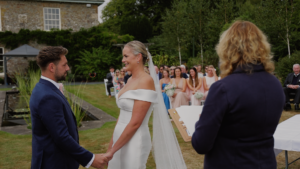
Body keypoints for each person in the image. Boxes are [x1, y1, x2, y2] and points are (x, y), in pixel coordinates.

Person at [192, 21, 285, 169]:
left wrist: (200, 122)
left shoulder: (223, 88)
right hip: (265, 163)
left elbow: (201, 144)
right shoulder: (275, 84)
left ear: (227, 48)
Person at [105, 41, 186, 169]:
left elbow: (136, 123)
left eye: (126, 56)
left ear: (138, 57)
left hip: (135, 138)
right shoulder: (130, 79)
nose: (122, 60)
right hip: (119, 136)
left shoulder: (146, 81)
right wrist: (111, 145)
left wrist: (113, 149)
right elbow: (122, 115)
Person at [30, 46, 108, 169]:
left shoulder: (44, 88)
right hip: (54, 163)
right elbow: (61, 137)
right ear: (52, 67)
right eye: (64, 65)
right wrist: (91, 159)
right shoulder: (47, 96)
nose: (68, 68)